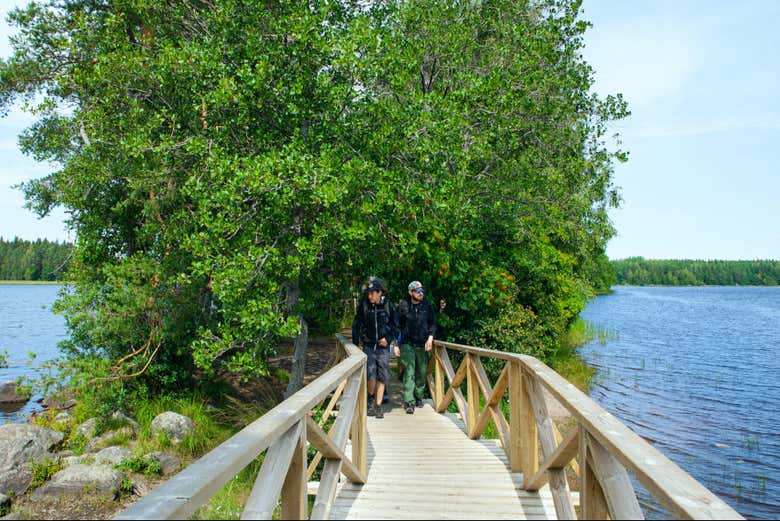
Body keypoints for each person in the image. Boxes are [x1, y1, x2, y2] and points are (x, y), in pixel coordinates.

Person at [351, 277, 399, 419]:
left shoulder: (388, 306)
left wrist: (389, 339)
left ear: (380, 293)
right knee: (371, 374)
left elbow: (396, 326)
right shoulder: (364, 305)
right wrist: (355, 345)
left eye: (372, 293)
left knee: (382, 375)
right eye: (368, 293)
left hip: (383, 348)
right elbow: (356, 325)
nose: (370, 296)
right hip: (368, 345)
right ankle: (371, 398)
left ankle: (378, 406)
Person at [397, 280, 436, 414]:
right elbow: (397, 326)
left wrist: (430, 338)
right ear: (410, 292)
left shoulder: (427, 306)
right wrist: (396, 344)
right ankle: (409, 401)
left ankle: (419, 395)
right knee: (410, 371)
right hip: (407, 344)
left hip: (422, 344)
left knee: (422, 372)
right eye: (418, 291)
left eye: (422, 291)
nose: (421, 293)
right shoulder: (403, 306)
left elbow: (432, 324)